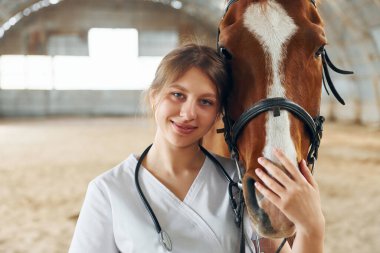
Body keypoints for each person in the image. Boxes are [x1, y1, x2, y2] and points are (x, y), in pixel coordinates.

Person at [68, 44, 325, 253]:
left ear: (217, 115)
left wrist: (312, 227)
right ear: (154, 96)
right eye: (177, 95)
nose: (188, 113)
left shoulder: (240, 182)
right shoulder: (108, 192)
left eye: (205, 101)